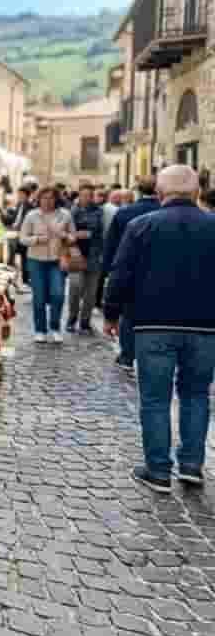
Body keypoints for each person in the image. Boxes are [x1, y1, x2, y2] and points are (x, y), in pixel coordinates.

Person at [104, 165, 215, 492]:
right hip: (206, 327)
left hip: (153, 324)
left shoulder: (141, 225)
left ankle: (159, 470)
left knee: (155, 398)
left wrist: (111, 314)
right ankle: (192, 465)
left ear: (160, 194)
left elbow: (120, 274)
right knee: (196, 394)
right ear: (196, 193)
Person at [103, 176, 160, 374]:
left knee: (129, 314)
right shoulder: (163, 212)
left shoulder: (125, 213)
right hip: (158, 273)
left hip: (130, 270)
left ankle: (127, 355)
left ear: (138, 190)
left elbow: (111, 246)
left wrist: (108, 271)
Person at [19, 186, 73, 343]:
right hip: (36, 260)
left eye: (51, 198)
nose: (47, 201)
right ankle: (40, 330)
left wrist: (64, 236)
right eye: (44, 198)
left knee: (58, 294)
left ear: (56, 199)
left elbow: (72, 237)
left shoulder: (65, 215)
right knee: (39, 297)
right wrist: (37, 239)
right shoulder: (31, 215)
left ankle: (55, 328)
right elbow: (22, 238)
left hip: (57, 260)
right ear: (39, 199)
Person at [65, 184, 104, 335]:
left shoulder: (99, 211)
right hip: (76, 254)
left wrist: (89, 234)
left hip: (94, 255)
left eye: (89, 195)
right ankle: (72, 318)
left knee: (91, 292)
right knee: (75, 287)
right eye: (83, 195)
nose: (86, 198)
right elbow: (66, 231)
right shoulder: (71, 212)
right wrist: (73, 235)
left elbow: (103, 232)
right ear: (79, 196)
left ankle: (85, 322)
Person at [2, 185, 35, 290]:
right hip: (15, 233)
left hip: (23, 235)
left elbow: (27, 223)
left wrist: (19, 230)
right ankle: (10, 279)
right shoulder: (19, 204)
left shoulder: (30, 207)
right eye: (18, 194)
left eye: (21, 194)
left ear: (26, 195)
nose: (19, 196)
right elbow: (14, 219)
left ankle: (25, 280)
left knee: (24, 259)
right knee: (12, 257)